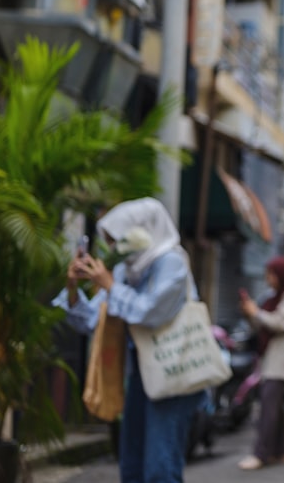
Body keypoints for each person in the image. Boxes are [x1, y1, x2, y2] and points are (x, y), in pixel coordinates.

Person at [53, 197, 205, 483]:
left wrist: (110, 285)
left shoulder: (172, 262)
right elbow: (93, 320)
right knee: (131, 463)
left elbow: (149, 311)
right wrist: (73, 288)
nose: (114, 248)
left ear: (142, 230)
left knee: (160, 466)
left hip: (172, 369)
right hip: (140, 371)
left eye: (117, 239)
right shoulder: (127, 270)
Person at [236, 255, 284, 471]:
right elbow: (261, 326)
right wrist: (250, 312)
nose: (268, 279)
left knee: (268, 406)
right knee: (276, 407)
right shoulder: (275, 296)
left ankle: (261, 454)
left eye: (271, 274)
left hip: (282, 360)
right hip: (270, 359)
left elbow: (282, 323)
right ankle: (280, 451)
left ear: (282, 275)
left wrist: (256, 312)